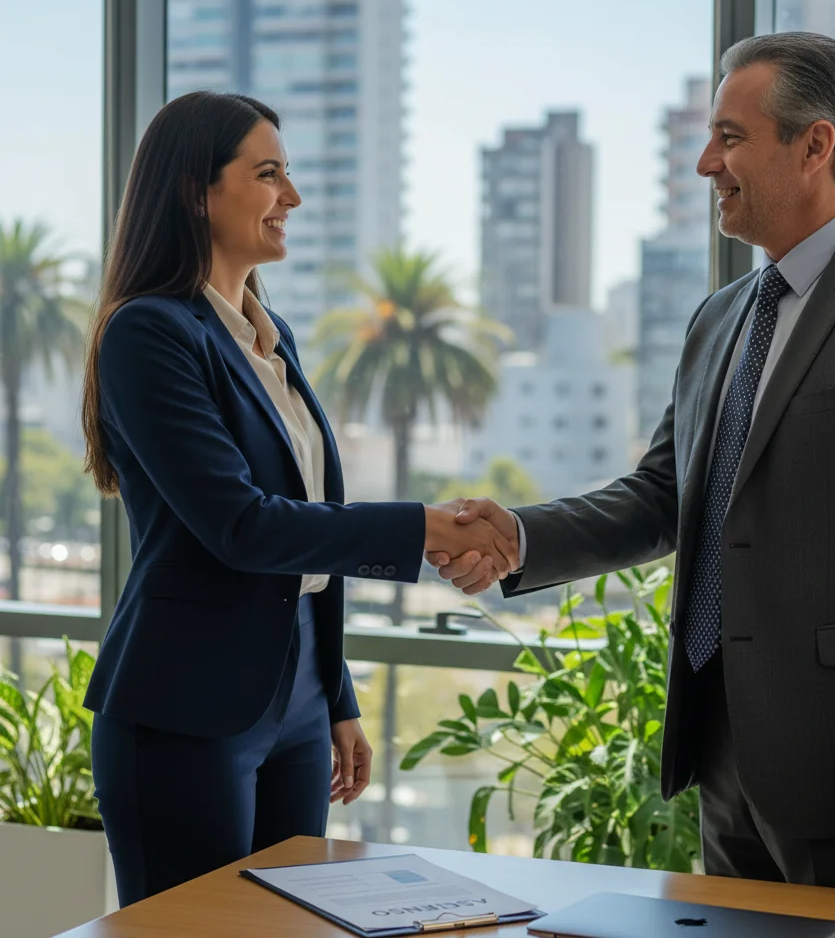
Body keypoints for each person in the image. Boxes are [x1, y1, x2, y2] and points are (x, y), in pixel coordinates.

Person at [428, 32, 835, 896]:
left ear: (815, 146)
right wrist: (519, 535)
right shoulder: (721, 316)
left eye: (730, 138)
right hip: (726, 757)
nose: (706, 163)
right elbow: (663, 495)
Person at [80, 91, 517, 906]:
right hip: (186, 708)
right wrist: (423, 527)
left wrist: (333, 696)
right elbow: (242, 526)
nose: (294, 196)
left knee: (293, 924)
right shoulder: (149, 333)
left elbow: (303, 538)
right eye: (269, 174)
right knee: (201, 933)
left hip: (299, 703)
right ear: (196, 191)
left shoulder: (269, 338)